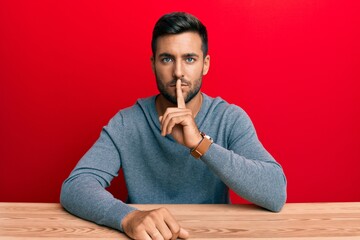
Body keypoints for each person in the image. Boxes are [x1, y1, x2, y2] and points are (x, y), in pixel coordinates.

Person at [60, 12, 287, 240]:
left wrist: (200, 144)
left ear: (205, 65)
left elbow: (275, 193)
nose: (178, 72)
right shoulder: (128, 122)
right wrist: (128, 217)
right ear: (153, 64)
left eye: (189, 59)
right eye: (167, 59)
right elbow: (75, 186)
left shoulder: (229, 118)